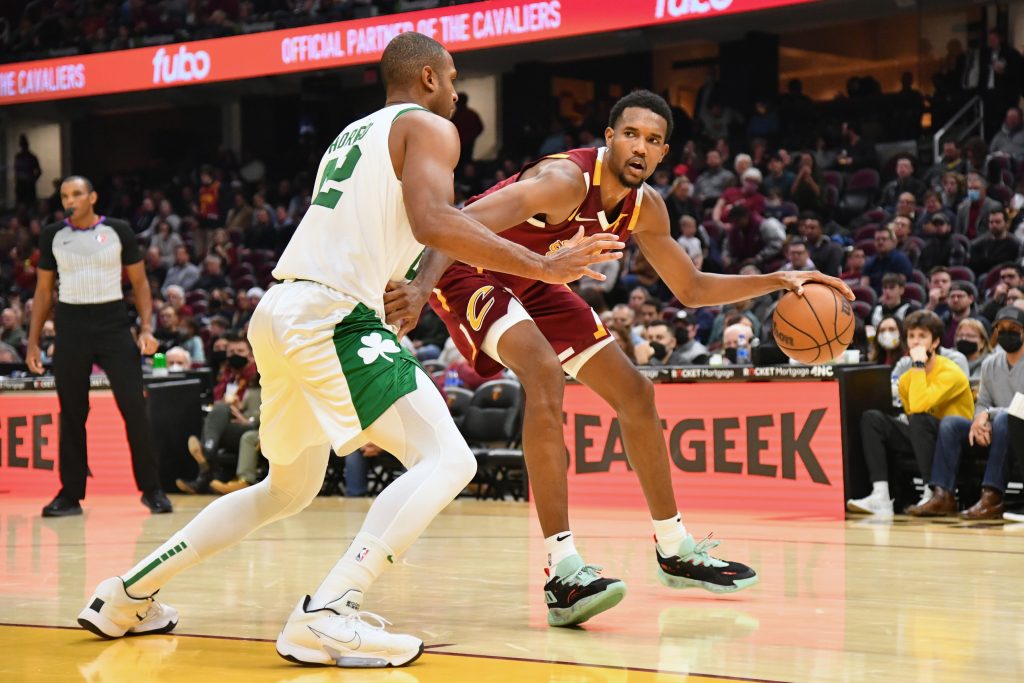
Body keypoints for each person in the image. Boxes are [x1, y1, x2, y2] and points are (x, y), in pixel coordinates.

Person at [75, 33, 620, 668]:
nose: (455, 91)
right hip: (332, 317)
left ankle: (124, 594)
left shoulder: (352, 135)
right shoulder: (431, 128)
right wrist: (541, 265)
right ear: (424, 80)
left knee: (284, 490)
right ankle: (329, 611)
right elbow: (433, 221)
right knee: (448, 460)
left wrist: (416, 289)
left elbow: (403, 232)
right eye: (450, 78)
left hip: (281, 310)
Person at [386, 89, 853, 628]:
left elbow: (692, 288)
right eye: (630, 134)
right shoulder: (562, 181)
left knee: (636, 393)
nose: (640, 147)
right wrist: (421, 289)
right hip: (469, 267)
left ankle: (674, 547)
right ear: (609, 139)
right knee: (542, 371)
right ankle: (562, 570)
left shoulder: (646, 207)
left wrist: (778, 280)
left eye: (653, 140)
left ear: (663, 154)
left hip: (539, 275)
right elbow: (457, 220)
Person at [25, 176, 172, 517]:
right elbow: (44, 291)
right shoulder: (52, 235)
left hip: (113, 324)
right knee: (73, 412)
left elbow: (139, 283)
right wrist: (33, 341)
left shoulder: (119, 230)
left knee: (134, 407)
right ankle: (70, 495)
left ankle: (152, 490)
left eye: (76, 194)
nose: (69, 200)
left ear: (92, 197)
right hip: (71, 325)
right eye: (64, 195)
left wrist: (146, 326)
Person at [847, 311, 973, 516]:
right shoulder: (906, 379)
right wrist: (917, 369)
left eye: (922, 336)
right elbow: (912, 413)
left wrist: (918, 365)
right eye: (911, 336)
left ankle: (931, 491)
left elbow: (919, 407)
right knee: (872, 419)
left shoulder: (951, 372)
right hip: (925, 437)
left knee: (920, 419)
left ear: (935, 342)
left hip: (956, 442)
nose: (915, 342)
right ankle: (880, 495)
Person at [910, 307, 1024, 518]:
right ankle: (943, 495)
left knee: (1005, 420)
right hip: (993, 432)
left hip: (1019, 433)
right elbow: (982, 404)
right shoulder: (990, 364)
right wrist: (978, 422)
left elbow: (1020, 407)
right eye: (1002, 329)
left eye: (1014, 328)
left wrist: (988, 415)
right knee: (951, 423)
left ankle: (992, 497)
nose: (1007, 333)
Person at [176, 334, 260, 495]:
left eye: (240, 351)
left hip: (253, 424)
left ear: (250, 354)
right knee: (216, 414)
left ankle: (205, 458)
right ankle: (204, 475)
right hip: (233, 424)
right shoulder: (227, 376)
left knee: (219, 413)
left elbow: (266, 406)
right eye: (231, 351)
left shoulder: (258, 375)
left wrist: (246, 418)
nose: (235, 355)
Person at [952, 316, 992, 383]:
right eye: (960, 335)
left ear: (982, 342)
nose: (964, 339)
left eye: (970, 336)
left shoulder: (990, 364)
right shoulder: (949, 360)